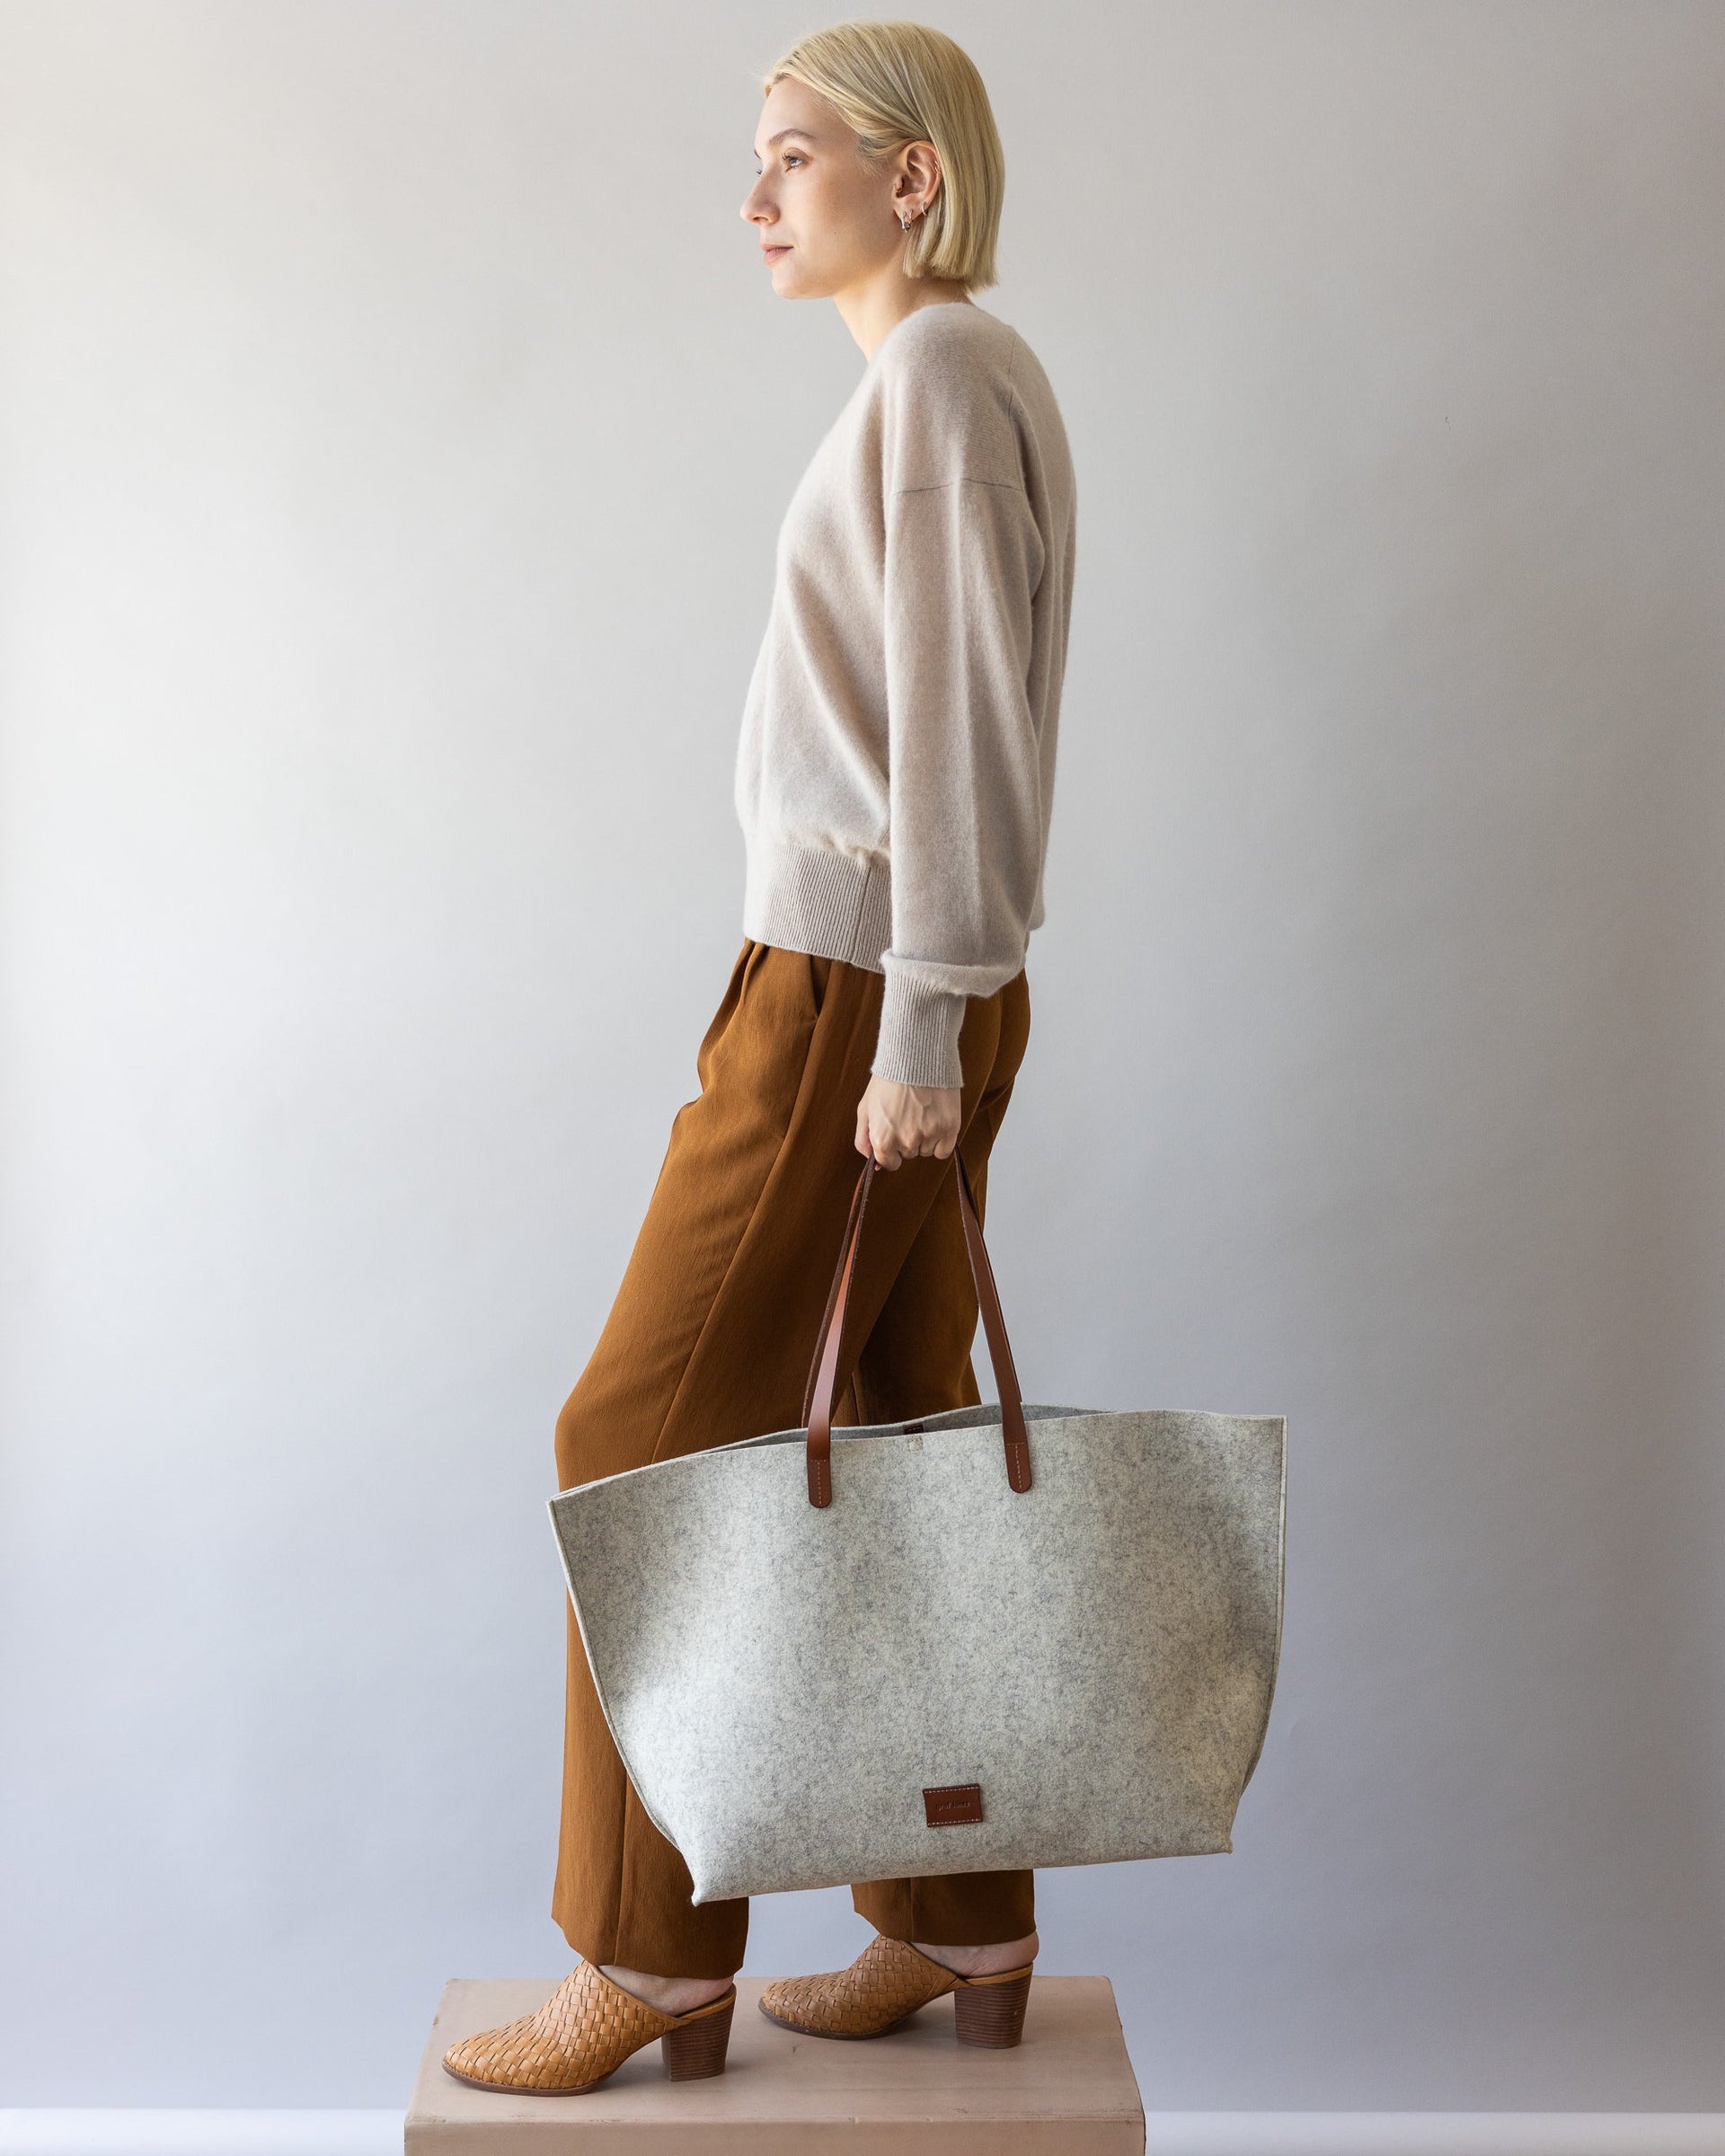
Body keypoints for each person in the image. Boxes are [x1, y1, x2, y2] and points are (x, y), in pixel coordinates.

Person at [443, 18, 1076, 2097]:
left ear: (911, 176)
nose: (754, 194)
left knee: (632, 1435)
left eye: (791, 154)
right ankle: (959, 1913)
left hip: (852, 999)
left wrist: (910, 1022)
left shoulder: (938, 382)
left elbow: (957, 736)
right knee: (887, 1436)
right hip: (874, 990)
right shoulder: (943, 383)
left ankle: (647, 1959)